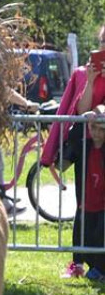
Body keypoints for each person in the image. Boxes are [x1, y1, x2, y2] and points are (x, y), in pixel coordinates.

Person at [44, 24, 105, 278]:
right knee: (84, 203)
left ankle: (99, 263)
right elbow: (81, 110)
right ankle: (79, 261)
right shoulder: (82, 73)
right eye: (103, 41)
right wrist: (91, 80)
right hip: (87, 146)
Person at [61, 114, 105, 281]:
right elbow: (61, 165)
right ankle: (78, 265)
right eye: (93, 127)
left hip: (103, 204)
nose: (97, 133)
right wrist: (80, 124)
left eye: (102, 129)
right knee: (81, 234)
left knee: (100, 235)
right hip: (85, 202)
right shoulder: (82, 146)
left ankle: (99, 269)